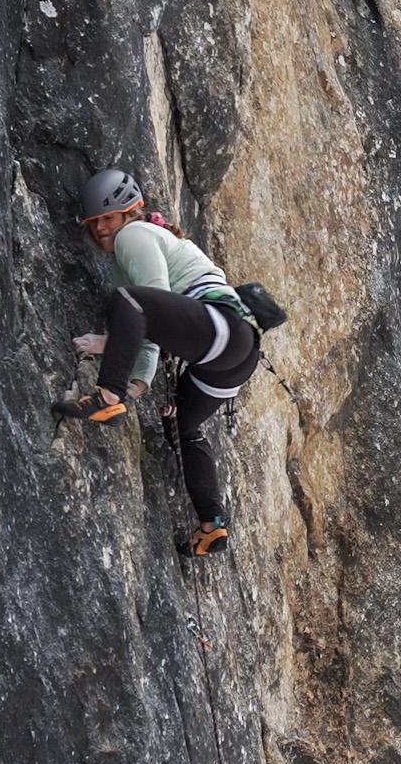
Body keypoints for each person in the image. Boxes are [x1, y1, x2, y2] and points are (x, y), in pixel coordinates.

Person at [52, 168, 258, 556]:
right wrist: (141, 381)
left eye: (108, 218)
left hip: (221, 328)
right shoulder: (139, 245)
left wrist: (109, 351)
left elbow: (149, 303)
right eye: (94, 223)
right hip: (234, 355)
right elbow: (151, 315)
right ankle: (211, 524)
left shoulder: (135, 234)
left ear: (131, 212)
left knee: (126, 301)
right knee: (182, 426)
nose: (100, 229)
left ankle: (107, 396)